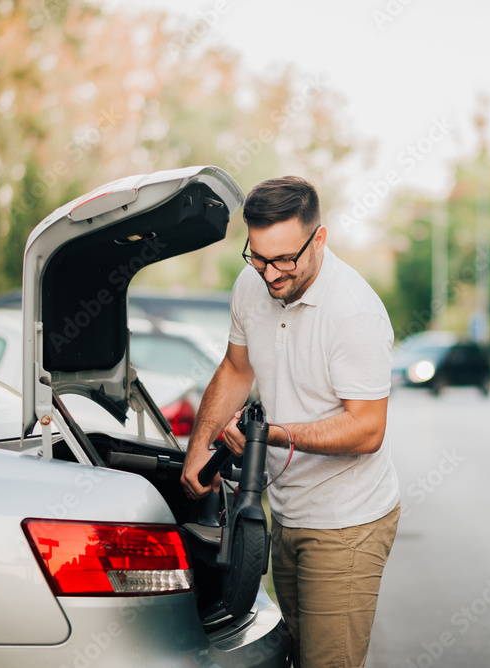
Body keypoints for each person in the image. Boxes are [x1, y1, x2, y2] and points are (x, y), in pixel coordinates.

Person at [181, 175, 400, 667]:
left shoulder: (355, 313)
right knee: (294, 658)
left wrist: (274, 435)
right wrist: (199, 446)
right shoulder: (251, 284)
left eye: (284, 259)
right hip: (286, 513)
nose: (270, 273)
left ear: (318, 238)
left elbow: (367, 429)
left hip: (347, 520)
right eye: (257, 257)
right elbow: (237, 368)